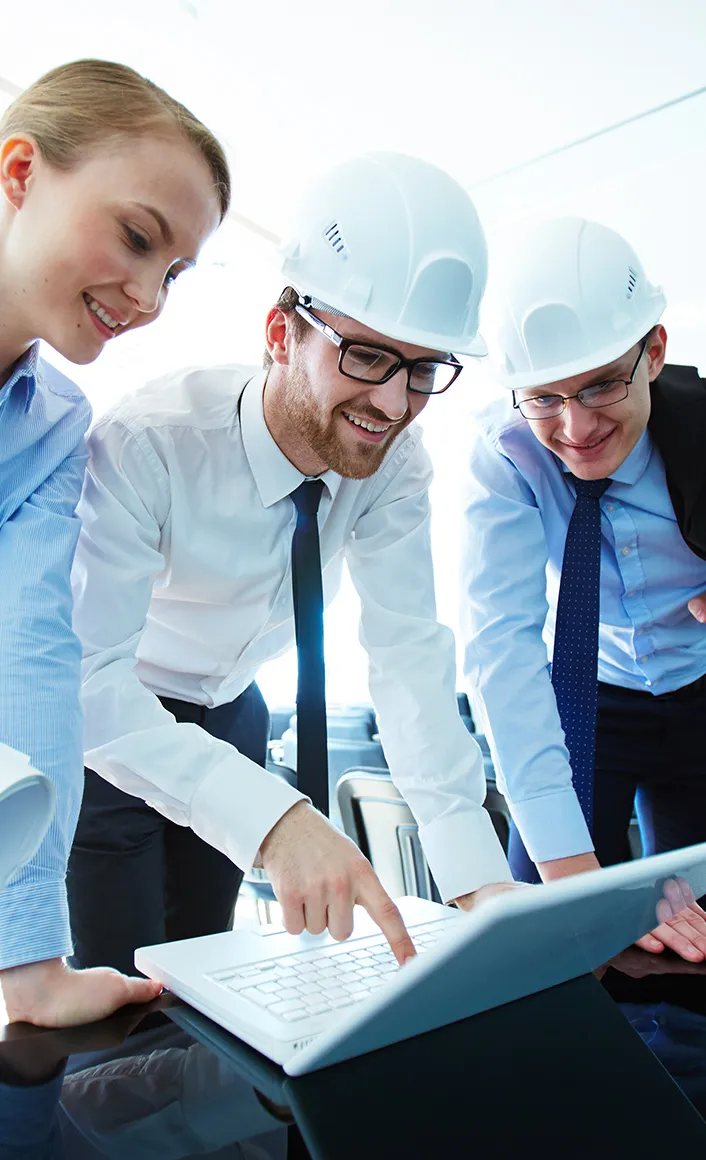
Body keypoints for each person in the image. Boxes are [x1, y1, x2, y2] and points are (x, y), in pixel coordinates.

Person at [67, 152, 517, 979]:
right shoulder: (150, 443)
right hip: (116, 726)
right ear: (282, 334)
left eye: (423, 369)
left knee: (209, 968)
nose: (394, 403)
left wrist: (479, 884)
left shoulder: (397, 461)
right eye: (368, 356)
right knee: (126, 987)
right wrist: (272, 819)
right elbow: (87, 676)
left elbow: (410, 656)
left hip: (236, 709)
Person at [0, 58, 230, 1027]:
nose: (148, 294)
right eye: (137, 237)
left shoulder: (54, 423)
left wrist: (30, 962)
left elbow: (35, 657)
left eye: (173, 269)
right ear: (19, 172)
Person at [460, 216, 706, 1077]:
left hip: (700, 692)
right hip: (589, 696)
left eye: (600, 386)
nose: (573, 426)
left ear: (654, 350)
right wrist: (572, 886)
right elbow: (501, 649)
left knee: (692, 940)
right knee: (546, 939)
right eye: (544, 397)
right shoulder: (507, 458)